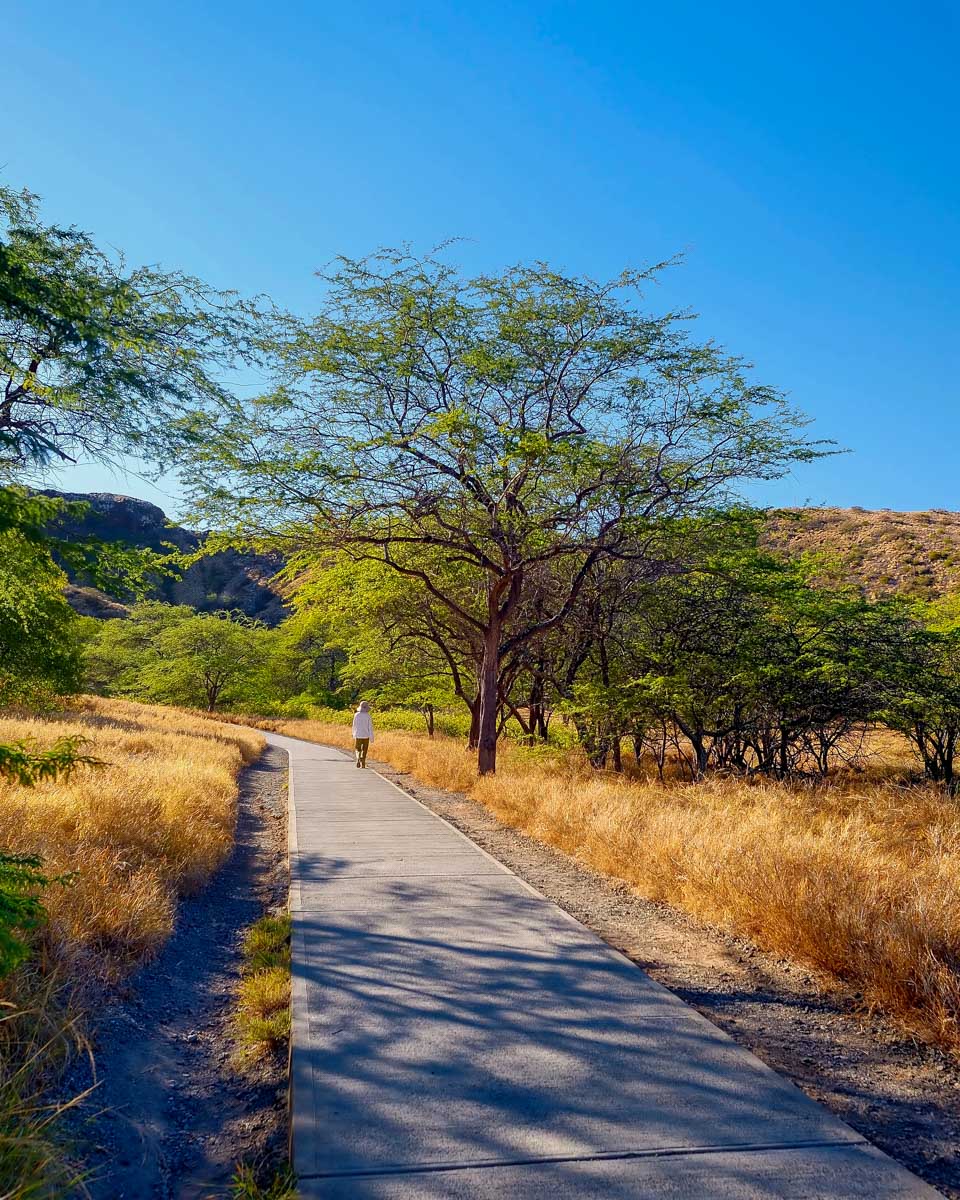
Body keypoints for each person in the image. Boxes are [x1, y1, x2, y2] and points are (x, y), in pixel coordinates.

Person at [352, 700, 374, 768]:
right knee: (365, 749)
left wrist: (353, 734)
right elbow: (370, 727)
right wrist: (371, 737)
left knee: (357, 749)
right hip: (366, 735)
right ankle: (363, 762)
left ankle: (358, 758)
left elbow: (354, 725)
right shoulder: (368, 716)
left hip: (358, 735)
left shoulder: (356, 715)